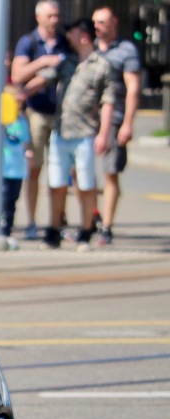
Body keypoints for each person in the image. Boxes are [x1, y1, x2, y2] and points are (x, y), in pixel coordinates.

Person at [44, 19, 117, 250]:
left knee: (85, 185)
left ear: (84, 36)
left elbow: (108, 102)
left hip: (85, 133)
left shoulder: (102, 65)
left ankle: (85, 231)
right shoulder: (67, 62)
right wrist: (23, 90)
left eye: (72, 32)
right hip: (61, 131)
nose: (68, 37)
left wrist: (103, 133)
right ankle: (53, 230)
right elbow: (43, 79)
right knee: (56, 183)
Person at [11, 1, 66, 240]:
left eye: (57, 16)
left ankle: (57, 220)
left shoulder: (64, 41)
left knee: (62, 171)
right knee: (34, 169)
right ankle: (32, 221)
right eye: (50, 16)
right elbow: (17, 76)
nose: (54, 20)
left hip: (63, 114)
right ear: (38, 17)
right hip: (36, 113)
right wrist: (43, 62)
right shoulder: (29, 42)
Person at [92, 6, 142, 247]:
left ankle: (107, 226)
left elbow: (133, 89)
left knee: (109, 171)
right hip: (87, 118)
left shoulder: (126, 50)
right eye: (95, 22)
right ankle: (90, 217)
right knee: (78, 172)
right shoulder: (89, 48)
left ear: (114, 22)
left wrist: (128, 124)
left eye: (102, 22)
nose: (98, 27)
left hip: (114, 118)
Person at [0, 87, 31, 247]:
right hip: (4, 169)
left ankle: (8, 231)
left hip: (18, 170)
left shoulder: (22, 121)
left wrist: (28, 153)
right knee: (2, 201)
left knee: (12, 202)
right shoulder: (1, 121)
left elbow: (25, 141)